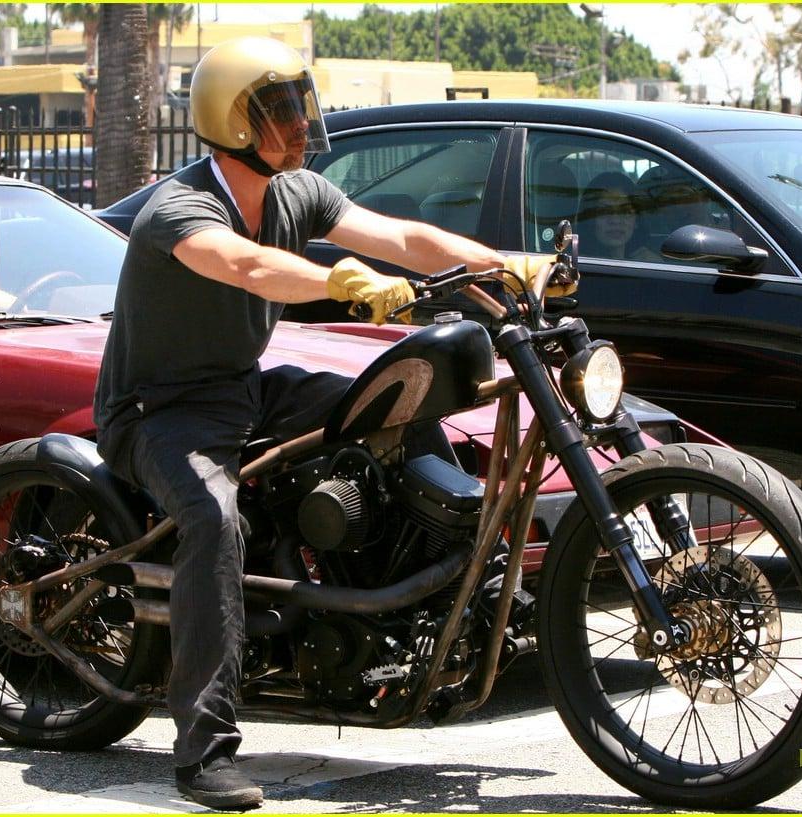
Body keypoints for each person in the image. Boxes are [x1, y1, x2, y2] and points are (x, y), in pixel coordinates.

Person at [92, 37, 574, 812]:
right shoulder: (178, 207)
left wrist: (507, 264)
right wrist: (342, 281)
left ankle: (412, 593)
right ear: (233, 121)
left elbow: (405, 239)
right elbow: (246, 266)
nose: (298, 121)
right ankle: (203, 749)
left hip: (243, 389)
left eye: (298, 104)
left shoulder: (299, 192)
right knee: (213, 520)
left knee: (401, 401)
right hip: (158, 409)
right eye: (278, 109)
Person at [577, 171, 661, 263]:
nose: (615, 220)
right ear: (590, 219)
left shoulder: (649, 263)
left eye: (625, 211)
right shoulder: (574, 265)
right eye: (604, 211)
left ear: (637, 220)